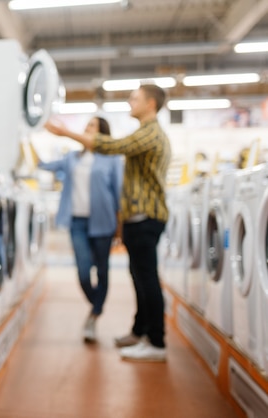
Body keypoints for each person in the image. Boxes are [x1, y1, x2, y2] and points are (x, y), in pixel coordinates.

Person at [44, 84, 171, 362]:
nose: (130, 101)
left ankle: (157, 342)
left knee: (147, 280)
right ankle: (140, 331)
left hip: (145, 216)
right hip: (138, 218)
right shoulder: (146, 132)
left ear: (150, 104)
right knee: (139, 278)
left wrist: (66, 132)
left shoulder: (150, 133)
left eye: (135, 98)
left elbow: (113, 146)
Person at [39, 116, 123, 344]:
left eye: (92, 127)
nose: (87, 130)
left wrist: (119, 225)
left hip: (103, 221)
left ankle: (94, 316)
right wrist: (26, 150)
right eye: (85, 127)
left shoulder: (112, 158)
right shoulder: (72, 157)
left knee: (103, 271)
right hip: (77, 221)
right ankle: (97, 305)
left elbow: (118, 191)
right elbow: (46, 166)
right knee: (84, 272)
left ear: (103, 133)